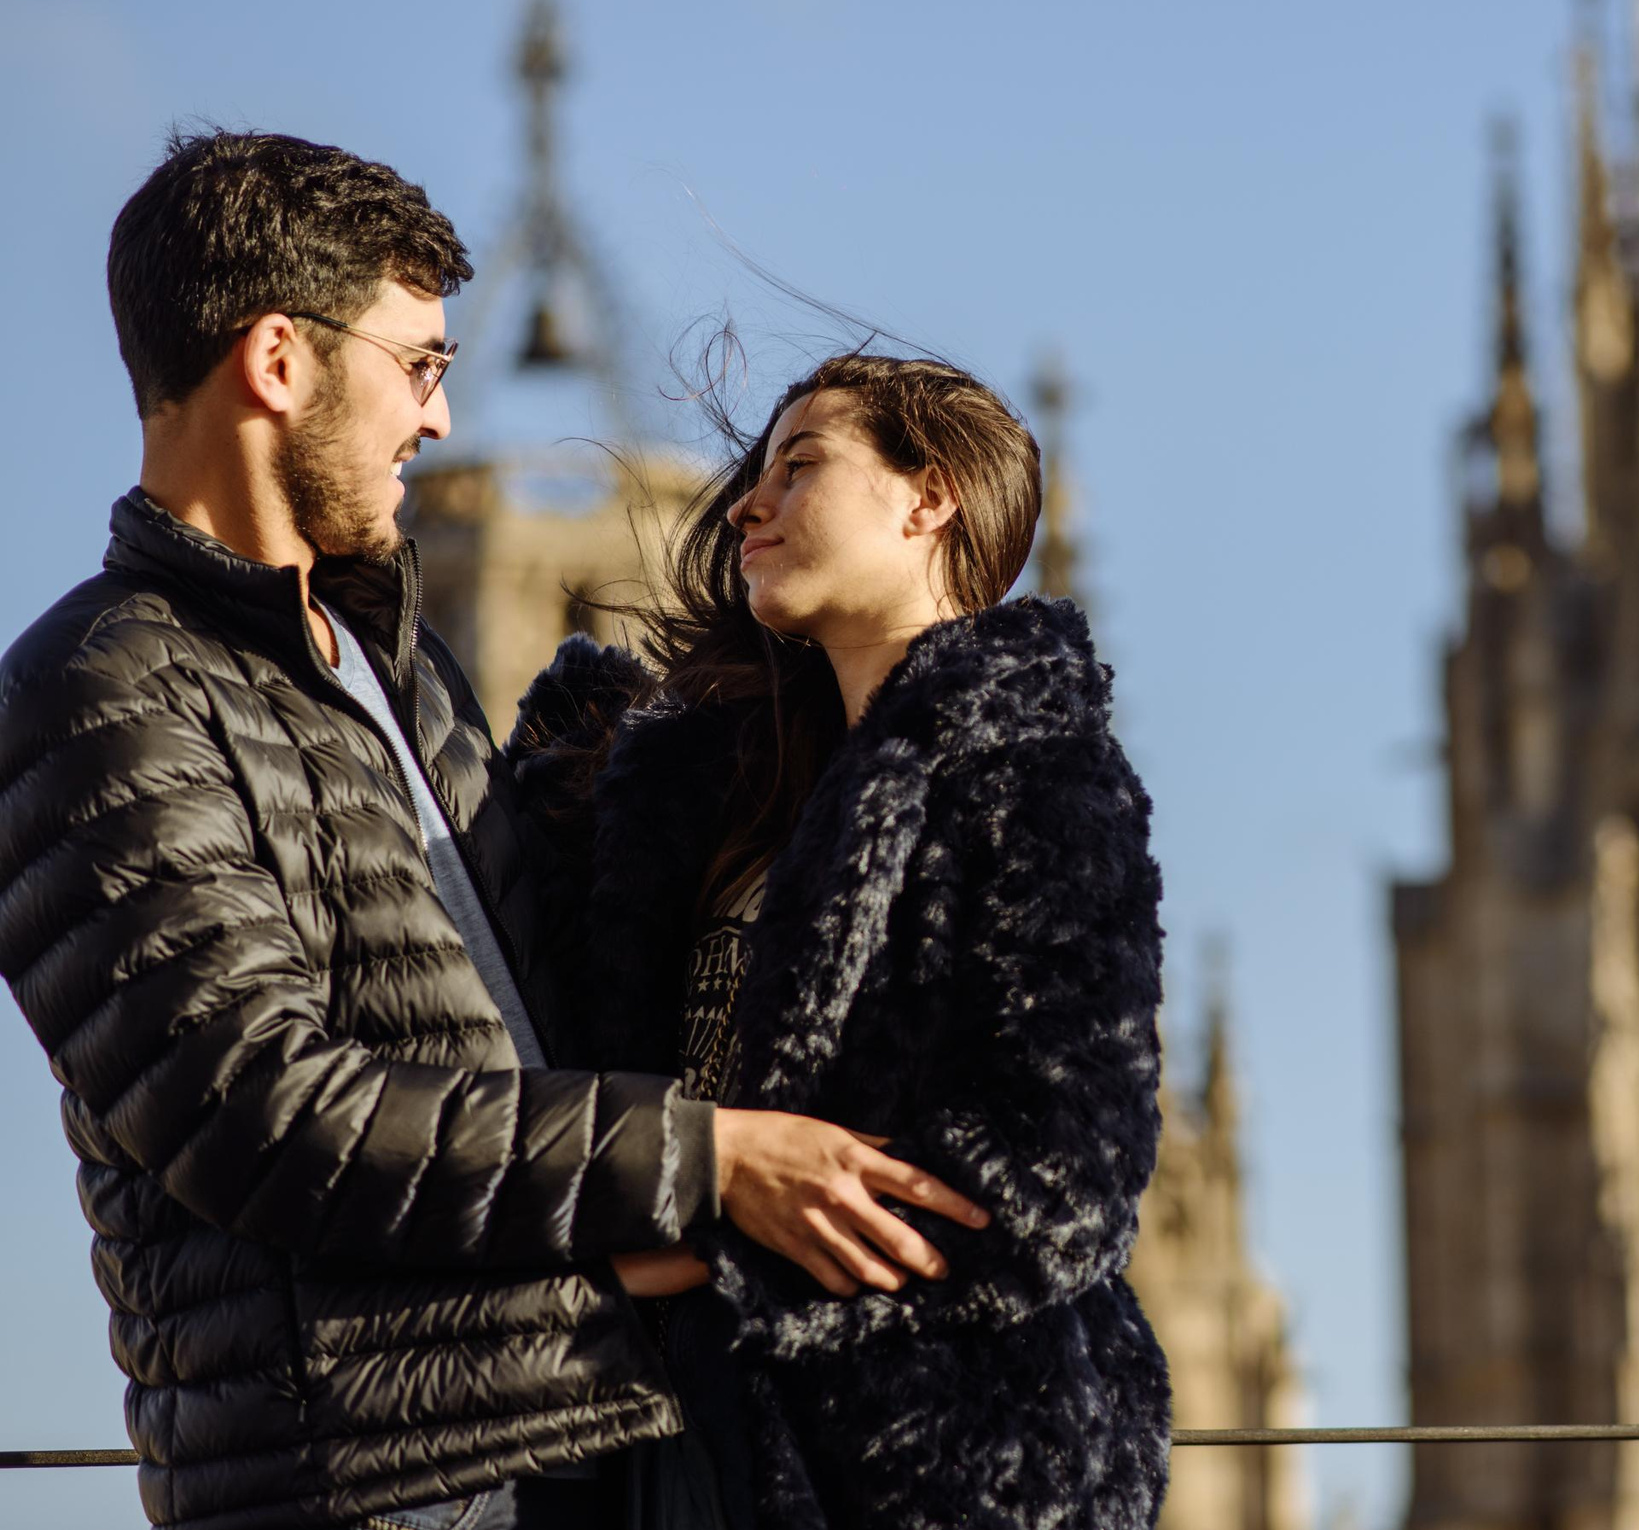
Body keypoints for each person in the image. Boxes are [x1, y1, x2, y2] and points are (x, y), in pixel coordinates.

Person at [0, 132, 989, 1530]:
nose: (440, 421)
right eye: (420, 366)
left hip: (566, 1448)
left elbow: (547, 1021)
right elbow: (260, 1113)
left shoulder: (388, 660)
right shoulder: (95, 685)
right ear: (279, 362)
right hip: (364, 1487)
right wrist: (708, 1164)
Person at [509, 353, 1172, 1529]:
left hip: (919, 1468)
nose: (751, 503)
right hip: (657, 1443)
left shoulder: (1037, 770)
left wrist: (695, 1242)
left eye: (800, 466)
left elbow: (1056, 1177)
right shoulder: (713, 788)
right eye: (754, 474)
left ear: (929, 499)